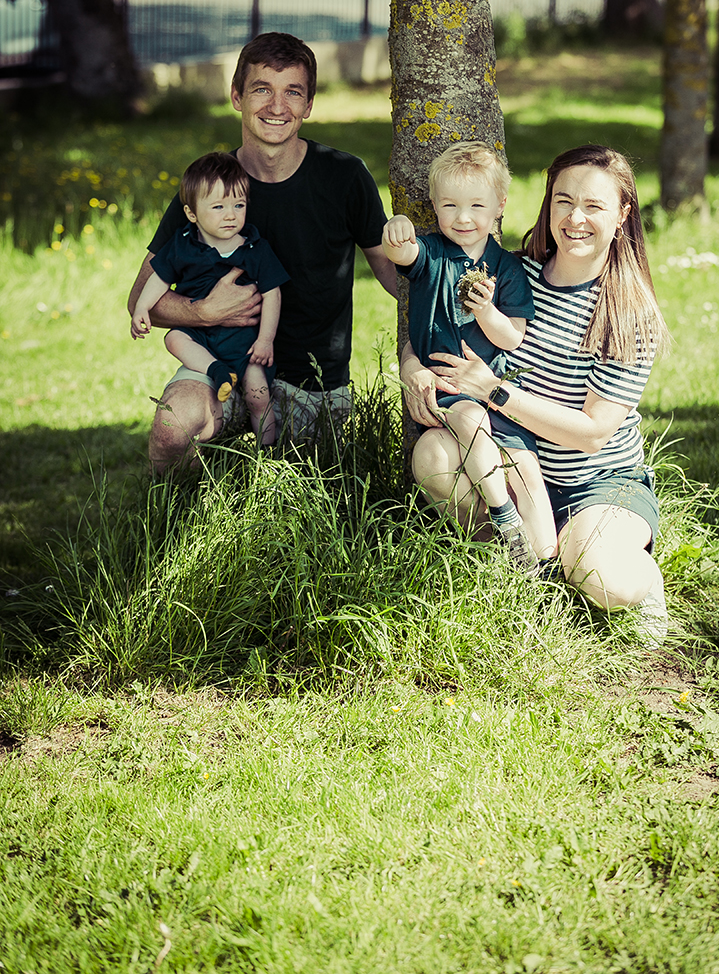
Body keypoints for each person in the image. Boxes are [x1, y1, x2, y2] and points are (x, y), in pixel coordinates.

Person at [401, 144, 671, 645]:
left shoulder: (628, 314)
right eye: (563, 201)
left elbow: (592, 435)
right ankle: (521, 564)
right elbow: (433, 317)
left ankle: (639, 580)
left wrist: (497, 393)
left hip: (598, 481)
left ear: (622, 215)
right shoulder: (509, 277)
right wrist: (412, 365)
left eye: (594, 206)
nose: (575, 219)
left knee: (599, 577)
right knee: (433, 456)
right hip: (515, 464)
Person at [127, 32, 396, 468]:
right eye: (261, 90)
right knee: (172, 428)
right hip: (220, 364)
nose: (277, 106)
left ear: (308, 105)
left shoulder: (344, 177)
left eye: (293, 92)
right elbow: (141, 300)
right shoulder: (208, 186)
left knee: (307, 493)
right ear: (236, 96)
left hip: (313, 380)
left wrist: (453, 303)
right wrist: (203, 314)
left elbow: (390, 272)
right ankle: (169, 527)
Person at [382, 141, 556, 571]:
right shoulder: (433, 254)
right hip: (446, 389)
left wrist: (485, 310)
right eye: (450, 206)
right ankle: (503, 518)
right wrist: (398, 228)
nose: (463, 218)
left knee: (475, 421)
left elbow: (512, 337)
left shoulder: (506, 268)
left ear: (499, 206)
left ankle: (511, 527)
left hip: (488, 389)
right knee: (467, 419)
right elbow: (403, 254)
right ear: (436, 208)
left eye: (477, 205)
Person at [130, 151, 288, 445]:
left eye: (238, 205)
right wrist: (141, 307)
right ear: (192, 213)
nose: (231, 214)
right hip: (200, 336)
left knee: (258, 396)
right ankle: (218, 372)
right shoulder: (183, 245)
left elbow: (272, 293)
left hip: (245, 343)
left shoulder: (254, 248)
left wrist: (265, 340)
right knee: (173, 338)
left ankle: (267, 455)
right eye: (218, 206)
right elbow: (160, 277)